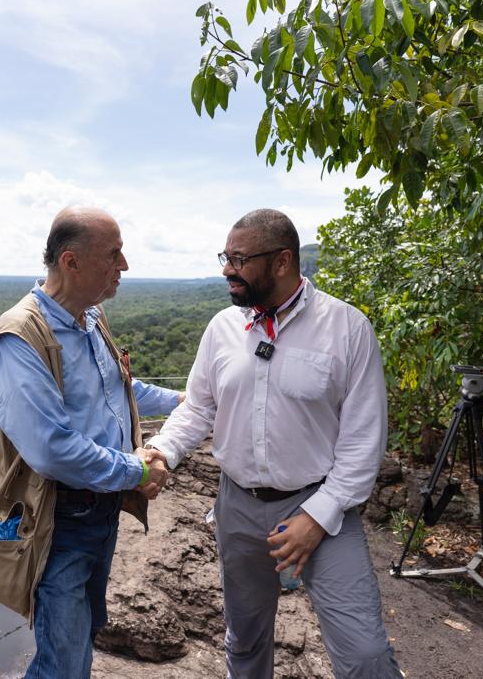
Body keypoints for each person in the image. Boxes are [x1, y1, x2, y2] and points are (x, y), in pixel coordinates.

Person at [144, 209, 402, 678]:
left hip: (322, 505)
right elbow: (200, 407)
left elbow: (363, 443)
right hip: (237, 506)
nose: (227, 269)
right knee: (245, 640)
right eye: (226, 256)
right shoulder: (223, 327)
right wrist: (162, 450)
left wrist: (316, 518)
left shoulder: (347, 329)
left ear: (282, 261)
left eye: (239, 259)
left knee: (364, 654)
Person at [0, 206, 178, 679]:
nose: (123, 265)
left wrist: (184, 399)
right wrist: (138, 470)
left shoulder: (90, 317)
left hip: (100, 511)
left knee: (81, 638)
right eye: (114, 254)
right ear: (71, 262)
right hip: (57, 521)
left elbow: (120, 389)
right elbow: (51, 449)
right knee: (62, 661)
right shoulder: (22, 335)